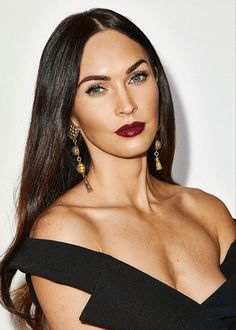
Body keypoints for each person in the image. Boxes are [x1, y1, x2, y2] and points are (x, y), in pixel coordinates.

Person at [0, 7, 235, 330]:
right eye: (98, 88)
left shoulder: (208, 213)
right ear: (69, 111)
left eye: (137, 77)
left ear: (157, 82)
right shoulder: (65, 234)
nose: (126, 105)